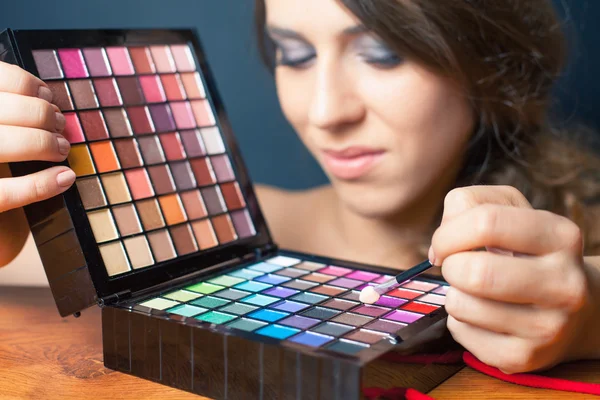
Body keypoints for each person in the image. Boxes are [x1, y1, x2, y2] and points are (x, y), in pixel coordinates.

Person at [0, 0, 598, 375]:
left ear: (487, 64)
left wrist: (592, 311)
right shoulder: (210, 231)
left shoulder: (583, 234)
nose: (324, 111)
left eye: (382, 54)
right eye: (294, 55)